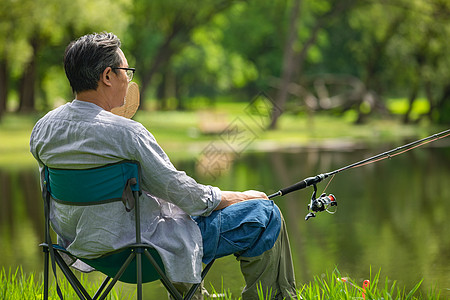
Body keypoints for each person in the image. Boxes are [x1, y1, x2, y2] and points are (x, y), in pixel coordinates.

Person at [30, 32, 297, 300]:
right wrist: (240, 196)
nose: (129, 79)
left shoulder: (43, 130)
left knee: (175, 215)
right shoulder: (127, 134)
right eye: (126, 71)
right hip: (141, 252)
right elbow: (186, 195)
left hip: (83, 249)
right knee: (264, 215)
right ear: (108, 76)